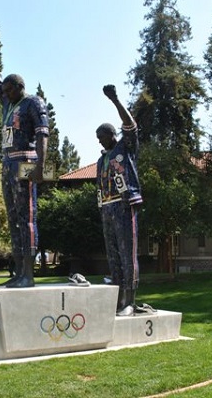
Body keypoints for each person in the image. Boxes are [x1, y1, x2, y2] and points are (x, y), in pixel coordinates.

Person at [0, 31, 49, 288]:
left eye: (8, 89)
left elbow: (42, 134)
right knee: (13, 217)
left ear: (19, 87)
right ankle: (17, 272)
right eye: (3, 90)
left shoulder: (32, 103)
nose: (3, 93)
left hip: (26, 161)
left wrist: (41, 167)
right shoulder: (7, 102)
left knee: (27, 217)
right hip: (7, 163)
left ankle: (28, 273)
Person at [96, 84, 142, 316]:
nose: (100, 141)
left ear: (113, 135)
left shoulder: (126, 146)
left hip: (124, 206)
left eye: (103, 137)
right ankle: (116, 298)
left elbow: (130, 126)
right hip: (107, 208)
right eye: (98, 139)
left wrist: (115, 100)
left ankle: (130, 301)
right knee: (113, 256)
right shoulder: (101, 160)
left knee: (127, 254)